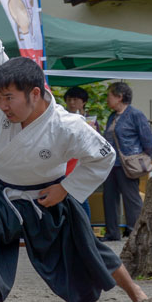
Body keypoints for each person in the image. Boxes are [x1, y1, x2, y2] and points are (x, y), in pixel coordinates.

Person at [0, 0, 146, 302]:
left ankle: (136, 292)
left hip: (48, 194)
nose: (3, 105)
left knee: (87, 246)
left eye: (9, 98)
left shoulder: (67, 126)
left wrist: (65, 188)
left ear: (34, 94)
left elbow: (104, 157)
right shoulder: (5, 89)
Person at [101, 82, 152, 242]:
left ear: (119, 96)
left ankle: (135, 232)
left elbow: (148, 140)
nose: (108, 99)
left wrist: (141, 157)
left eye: (110, 95)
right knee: (109, 198)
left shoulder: (135, 114)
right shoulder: (112, 116)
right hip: (111, 164)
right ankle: (112, 232)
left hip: (128, 164)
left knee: (131, 199)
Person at [62, 86, 97, 218]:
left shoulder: (90, 120)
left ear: (83, 102)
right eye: (69, 99)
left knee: (81, 196)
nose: (72, 103)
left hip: (83, 163)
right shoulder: (62, 118)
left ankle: (85, 227)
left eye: (75, 100)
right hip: (66, 163)